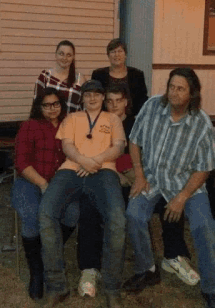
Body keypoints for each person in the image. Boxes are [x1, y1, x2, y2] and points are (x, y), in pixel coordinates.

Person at [77, 84, 199, 298]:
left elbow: (152, 153)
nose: (114, 105)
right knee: (90, 206)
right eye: (109, 101)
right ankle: (90, 268)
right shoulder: (99, 124)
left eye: (119, 100)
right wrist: (120, 173)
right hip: (110, 179)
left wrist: (140, 175)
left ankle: (174, 256)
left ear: (126, 102)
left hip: (140, 179)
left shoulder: (139, 122)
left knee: (168, 200)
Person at [122, 67, 215, 308]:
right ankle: (147, 269)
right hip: (152, 177)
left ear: (192, 93)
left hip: (187, 183)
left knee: (204, 226)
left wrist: (182, 196)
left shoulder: (202, 124)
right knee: (134, 214)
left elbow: (204, 168)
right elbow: (134, 140)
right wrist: (140, 174)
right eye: (171, 87)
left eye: (180, 89)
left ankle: (211, 286)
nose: (173, 93)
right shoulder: (153, 106)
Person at [38, 80, 126, 308]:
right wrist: (83, 161)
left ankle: (112, 288)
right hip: (71, 170)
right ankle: (57, 287)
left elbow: (118, 147)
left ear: (103, 97)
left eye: (97, 94)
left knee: (117, 219)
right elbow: (67, 146)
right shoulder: (72, 119)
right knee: (46, 213)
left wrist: (94, 161)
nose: (92, 98)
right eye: (88, 94)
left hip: (104, 171)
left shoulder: (113, 119)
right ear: (82, 98)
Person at [12, 88, 78, 301]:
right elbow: (21, 162)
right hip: (30, 181)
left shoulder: (69, 125)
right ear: (39, 107)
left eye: (56, 104)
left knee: (73, 213)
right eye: (47, 105)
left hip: (60, 183)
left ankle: (45, 251)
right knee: (32, 218)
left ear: (62, 105)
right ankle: (37, 270)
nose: (52, 108)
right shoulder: (29, 126)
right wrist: (42, 184)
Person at [92, 38, 148, 117]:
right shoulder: (98, 75)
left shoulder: (137, 75)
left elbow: (142, 100)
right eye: (113, 52)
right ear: (108, 55)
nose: (116, 55)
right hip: (105, 119)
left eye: (120, 51)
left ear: (125, 55)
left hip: (131, 120)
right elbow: (95, 99)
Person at [34, 40, 86, 112]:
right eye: (61, 54)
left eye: (69, 55)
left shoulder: (80, 78)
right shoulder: (45, 77)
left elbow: (84, 107)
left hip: (73, 122)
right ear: (56, 55)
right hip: (49, 122)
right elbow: (36, 106)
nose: (64, 58)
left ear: (73, 57)